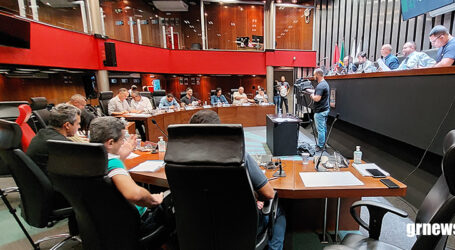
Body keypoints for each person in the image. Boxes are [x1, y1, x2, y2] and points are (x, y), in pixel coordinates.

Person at [188, 110, 286, 250]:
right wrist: (254, 197)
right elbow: (269, 194)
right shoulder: (238, 155)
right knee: (279, 211)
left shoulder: (179, 159)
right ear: (219, 131)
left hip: (198, 226)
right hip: (240, 227)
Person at [89, 116, 167, 237]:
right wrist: (153, 199)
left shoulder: (86, 157)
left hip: (103, 222)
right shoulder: (113, 164)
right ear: (110, 143)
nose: (124, 143)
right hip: (138, 223)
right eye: (122, 139)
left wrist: (121, 158)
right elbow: (134, 194)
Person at [27, 103, 81, 174]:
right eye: (78, 123)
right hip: (54, 183)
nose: (79, 127)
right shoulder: (63, 145)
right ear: (67, 125)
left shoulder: (42, 133)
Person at [310, 68, 330, 151]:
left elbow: (317, 98)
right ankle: (324, 143)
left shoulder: (321, 86)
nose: (314, 77)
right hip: (325, 110)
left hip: (320, 111)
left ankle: (320, 146)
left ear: (318, 75)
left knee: (320, 129)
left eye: (314, 75)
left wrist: (312, 95)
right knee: (323, 128)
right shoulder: (325, 84)